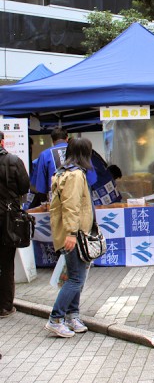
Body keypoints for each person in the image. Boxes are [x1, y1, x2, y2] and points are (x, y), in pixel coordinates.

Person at [45, 138, 95, 338]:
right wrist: (72, 233)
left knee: (77, 276)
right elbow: (72, 206)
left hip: (70, 232)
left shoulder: (62, 172)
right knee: (75, 278)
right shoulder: (75, 175)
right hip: (74, 234)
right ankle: (56, 319)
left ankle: (72, 316)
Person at [0, 132, 30, 319]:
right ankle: (5, 306)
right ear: (2, 141)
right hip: (7, 218)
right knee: (6, 262)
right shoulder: (13, 161)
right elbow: (24, 187)